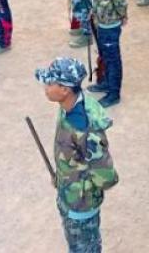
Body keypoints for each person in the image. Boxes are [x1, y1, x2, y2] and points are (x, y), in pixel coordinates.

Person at [35, 57, 119, 253]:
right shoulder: (69, 106)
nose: (45, 87)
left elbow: (106, 176)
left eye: (50, 83)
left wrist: (77, 185)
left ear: (65, 89)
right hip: (68, 195)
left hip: (81, 205)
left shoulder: (85, 129)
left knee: (85, 248)